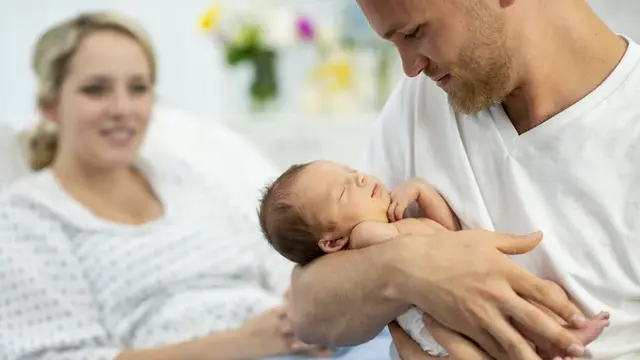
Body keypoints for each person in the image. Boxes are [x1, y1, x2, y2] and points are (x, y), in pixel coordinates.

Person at [0, 12, 393, 360]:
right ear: (49, 105)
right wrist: (244, 343)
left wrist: (308, 312)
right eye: (96, 89)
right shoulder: (26, 218)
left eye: (138, 88)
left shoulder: (186, 177)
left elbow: (281, 267)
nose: (122, 109)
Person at [287, 0, 640, 359]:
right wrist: (409, 270)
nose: (410, 68)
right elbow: (306, 309)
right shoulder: (425, 100)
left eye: (414, 32)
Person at [257, 160, 611, 358]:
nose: (361, 177)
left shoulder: (392, 225)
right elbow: (428, 248)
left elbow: (444, 231)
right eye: (346, 189)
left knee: (520, 313)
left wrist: (425, 193)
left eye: (352, 171)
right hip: (435, 328)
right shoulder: (367, 235)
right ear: (333, 241)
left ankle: (564, 339)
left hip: (448, 307)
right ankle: (567, 338)